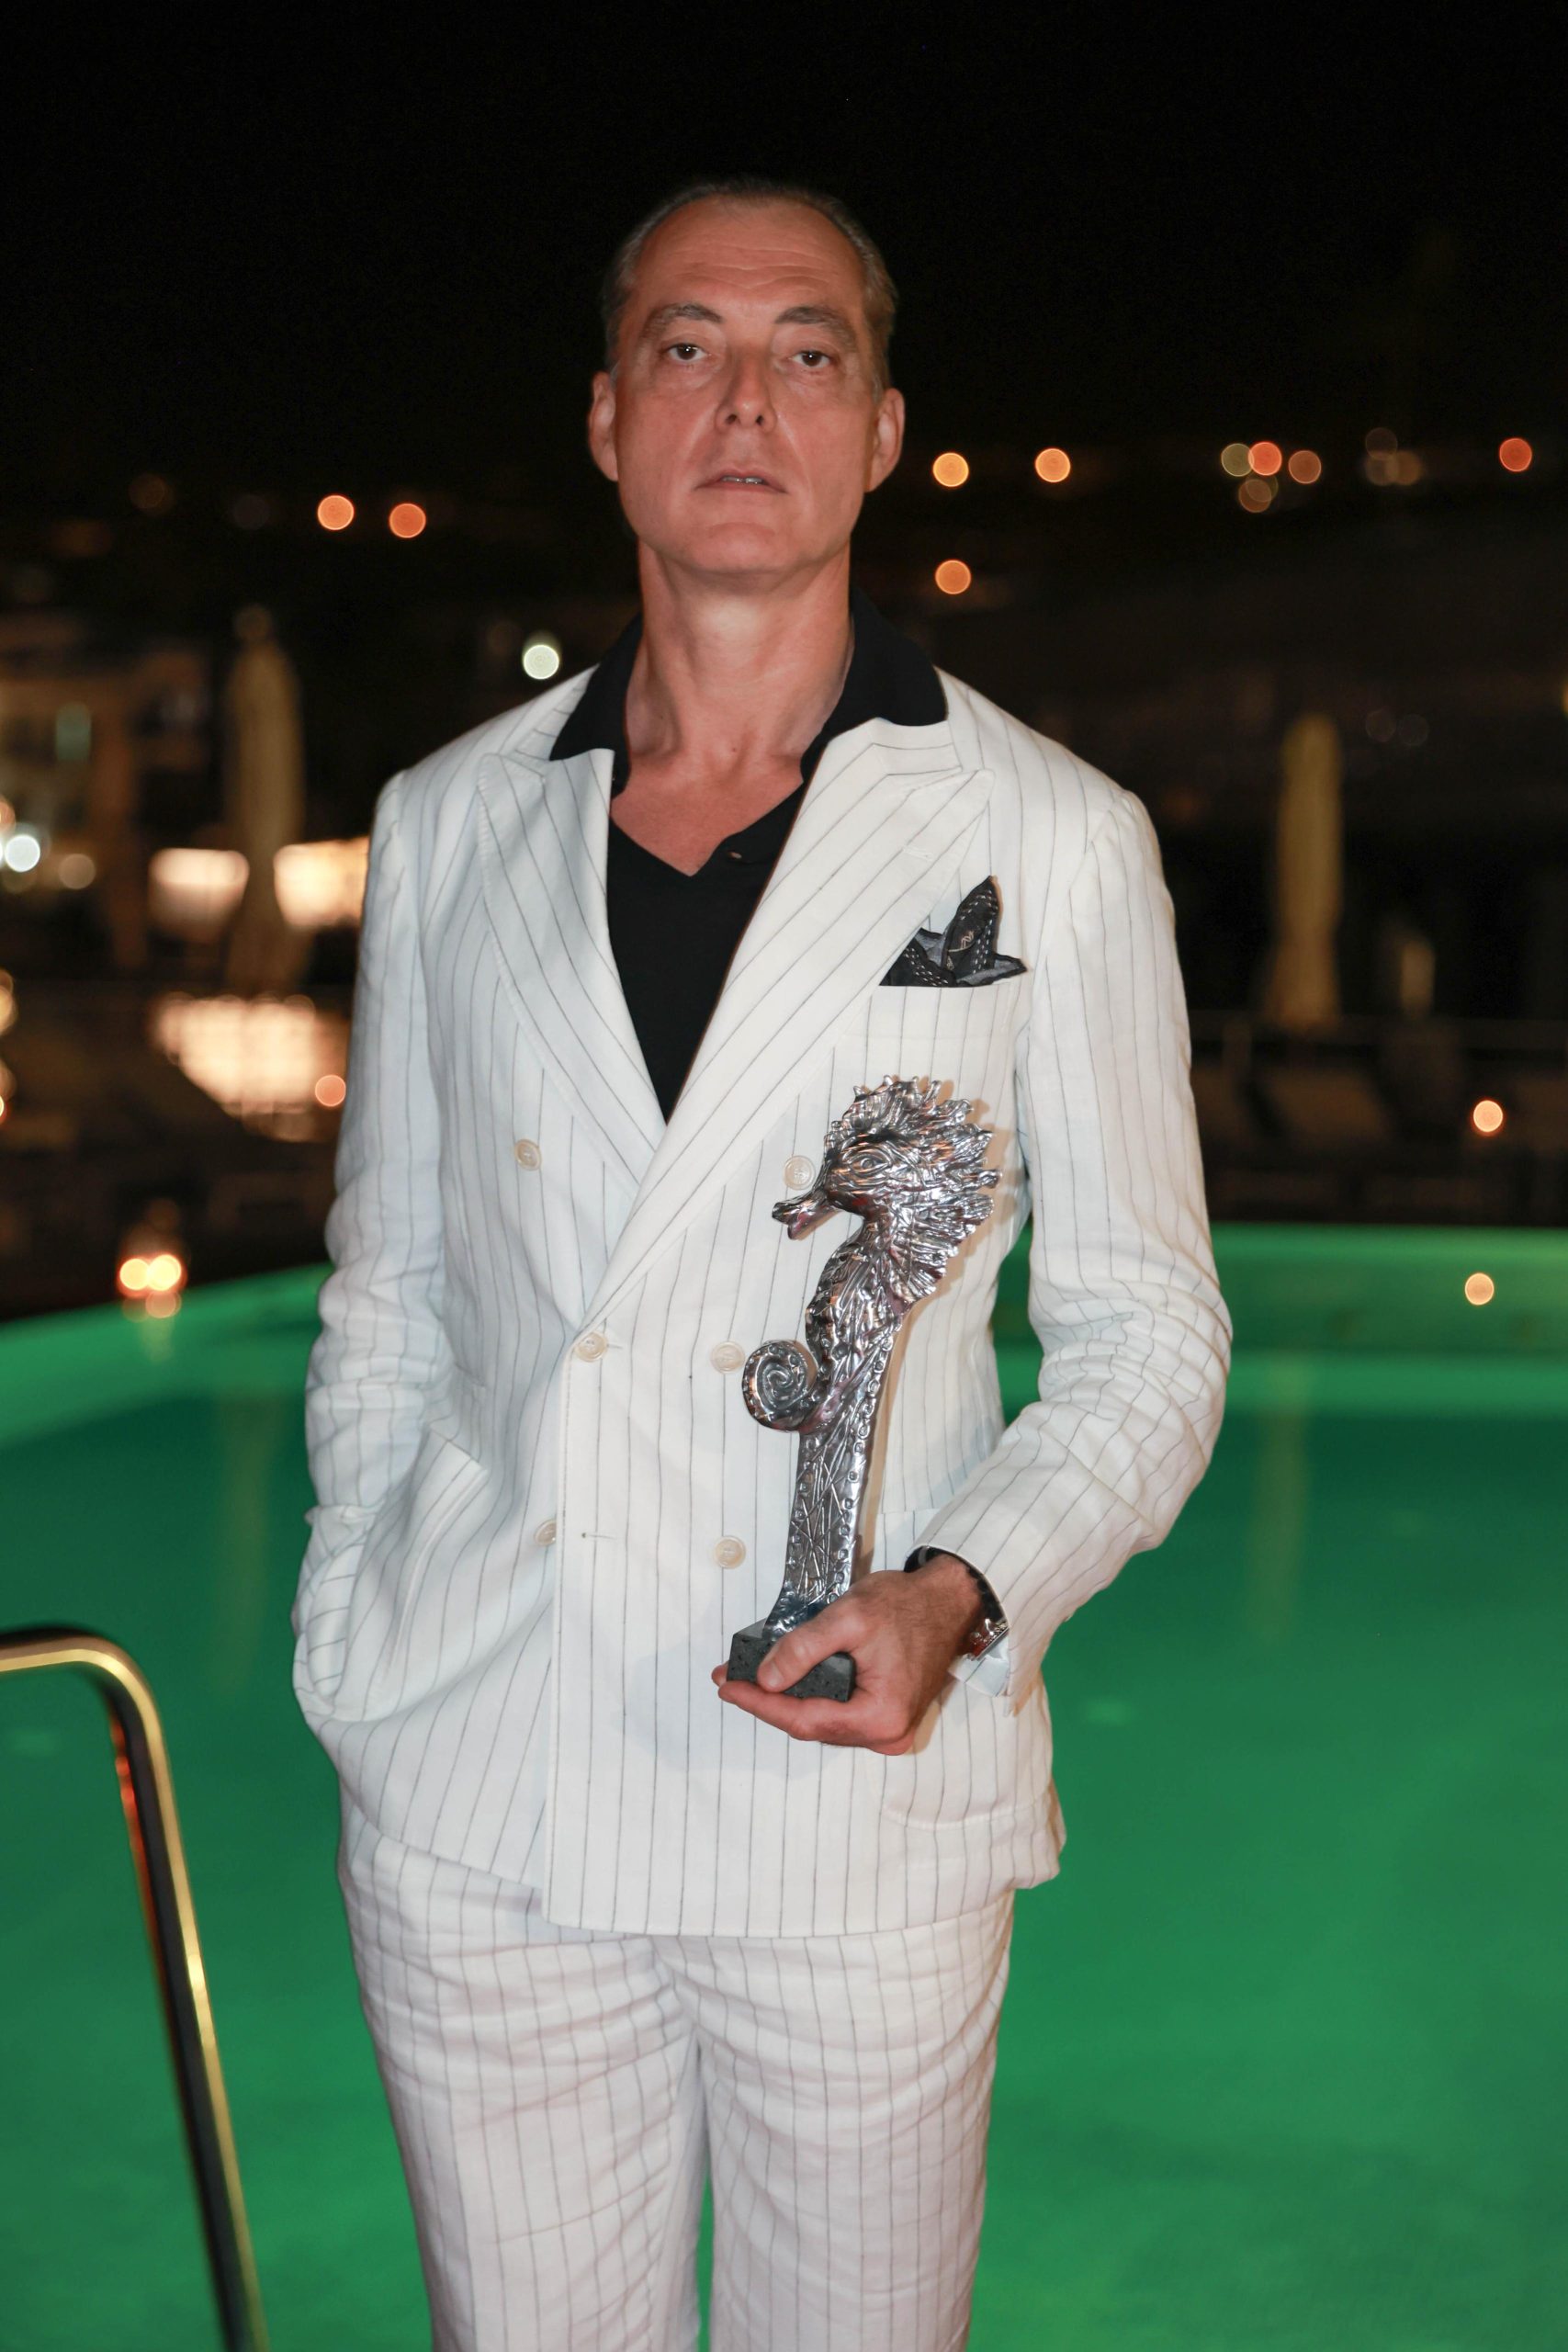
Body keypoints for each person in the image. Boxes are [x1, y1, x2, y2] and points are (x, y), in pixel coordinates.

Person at [291, 175, 1232, 2352]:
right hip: (483, 1787)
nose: (744, 400)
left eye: (806, 352)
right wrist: (358, 1621)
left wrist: (959, 1593)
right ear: (606, 419)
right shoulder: (448, 819)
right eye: (686, 347)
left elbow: (1146, 1334)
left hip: (850, 1802)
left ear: (879, 430)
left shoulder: (1048, 836)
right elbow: (388, 1284)